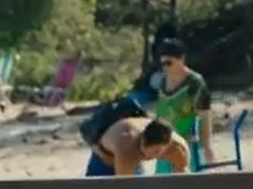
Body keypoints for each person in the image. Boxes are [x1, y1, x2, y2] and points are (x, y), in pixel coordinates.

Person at [141, 37, 215, 170]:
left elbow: (205, 116)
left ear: (181, 58)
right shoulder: (163, 80)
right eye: (162, 63)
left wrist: (207, 146)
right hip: (163, 147)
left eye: (169, 63)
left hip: (188, 145)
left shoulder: (195, 83)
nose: (165, 67)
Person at [84, 116, 190, 178]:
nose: (151, 156)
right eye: (147, 151)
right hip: (105, 157)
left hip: (134, 160)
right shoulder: (127, 146)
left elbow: (182, 181)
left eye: (156, 153)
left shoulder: (178, 147)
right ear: (142, 139)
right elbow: (124, 188)